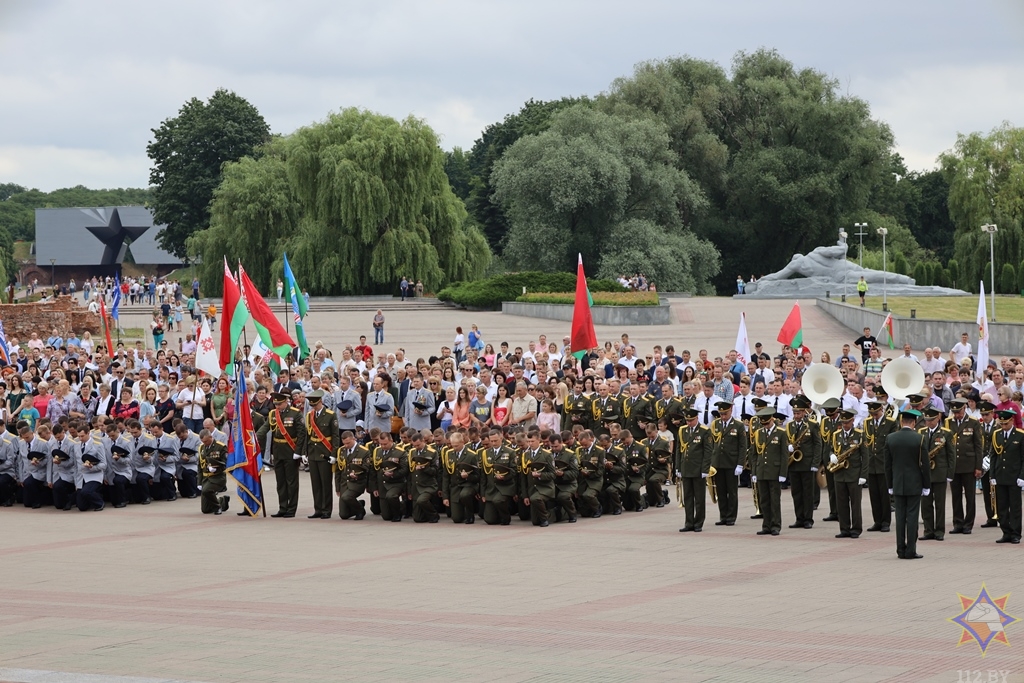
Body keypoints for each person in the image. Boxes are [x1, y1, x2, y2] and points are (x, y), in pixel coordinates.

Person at [885, 409, 931, 559]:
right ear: (913, 423)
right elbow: (925, 464)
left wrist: (890, 485)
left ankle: (900, 550)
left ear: (901, 422)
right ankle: (911, 550)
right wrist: (926, 485)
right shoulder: (919, 438)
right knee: (912, 517)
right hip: (914, 483)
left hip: (897, 483)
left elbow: (887, 465)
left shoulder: (891, 438)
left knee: (899, 518)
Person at [256, 392, 307, 518]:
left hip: (290, 450)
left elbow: (301, 434)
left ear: (286, 402)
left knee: (291, 482)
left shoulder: (295, 413)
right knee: (281, 482)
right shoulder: (273, 413)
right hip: (278, 451)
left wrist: (298, 452)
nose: (277, 406)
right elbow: (266, 427)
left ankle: (292, 508)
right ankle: (282, 507)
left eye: (280, 404)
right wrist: (254, 438)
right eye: (276, 404)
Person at [828, 409, 867, 538]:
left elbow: (866, 457)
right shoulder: (836, 434)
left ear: (853, 420)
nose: (845, 425)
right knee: (841, 503)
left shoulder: (860, 435)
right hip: (839, 473)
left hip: (854, 474)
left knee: (855, 504)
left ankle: (856, 529)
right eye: (843, 422)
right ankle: (844, 528)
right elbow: (830, 449)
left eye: (847, 422)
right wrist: (832, 455)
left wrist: (863, 475)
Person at [918, 407, 955, 541]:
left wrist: (950, 474)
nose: (928, 423)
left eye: (931, 420)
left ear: (938, 418)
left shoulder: (946, 433)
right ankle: (928, 530)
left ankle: (939, 531)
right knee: (925, 504)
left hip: (940, 473)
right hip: (924, 474)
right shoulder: (921, 432)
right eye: (926, 420)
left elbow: (952, 455)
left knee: (940, 504)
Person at [990, 409, 1024, 544]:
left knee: (1015, 507)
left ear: (1011, 421)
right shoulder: (996, 434)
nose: (1003, 426)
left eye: (1005, 424)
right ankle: (1006, 532)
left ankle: (1016, 533)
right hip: (1000, 475)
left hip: (1015, 476)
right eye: (1001, 424)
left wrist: (1022, 476)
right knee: (1002, 506)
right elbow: (993, 456)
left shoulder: (1020, 436)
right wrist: (992, 474)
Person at [676, 407, 712, 532]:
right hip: (686, 468)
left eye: (691, 420)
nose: (689, 423)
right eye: (687, 420)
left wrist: (705, 469)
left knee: (699, 498)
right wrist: (678, 467)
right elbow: (678, 451)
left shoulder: (704, 431)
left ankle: (698, 522)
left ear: (697, 418)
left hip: (698, 469)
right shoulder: (682, 430)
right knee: (688, 497)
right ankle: (689, 522)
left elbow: (708, 451)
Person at [305, 389, 339, 519]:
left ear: (321, 402)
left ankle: (326, 510)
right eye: (312, 405)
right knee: (315, 483)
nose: (314, 407)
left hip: (325, 453)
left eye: (315, 405)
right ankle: (318, 509)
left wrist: (334, 454)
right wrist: (305, 453)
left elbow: (335, 436)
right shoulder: (309, 416)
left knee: (325, 483)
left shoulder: (330, 415)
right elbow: (308, 435)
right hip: (313, 453)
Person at [198, 429, 230, 515]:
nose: (205, 443)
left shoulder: (221, 447)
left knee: (206, 491)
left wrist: (217, 469)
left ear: (211, 437)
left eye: (206, 441)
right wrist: (199, 482)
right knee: (205, 509)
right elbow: (200, 466)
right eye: (203, 442)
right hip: (206, 478)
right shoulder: (201, 447)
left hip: (217, 477)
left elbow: (226, 463)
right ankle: (222, 501)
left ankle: (217, 507)